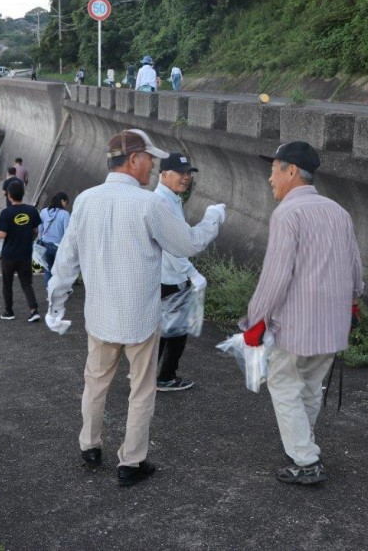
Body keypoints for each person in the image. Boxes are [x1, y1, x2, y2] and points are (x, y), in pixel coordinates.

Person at [46, 128, 226, 487]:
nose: (152, 166)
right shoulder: (149, 204)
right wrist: (213, 218)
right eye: (150, 159)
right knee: (140, 390)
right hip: (140, 318)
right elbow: (187, 244)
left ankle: (90, 446)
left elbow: (67, 258)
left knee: (95, 384)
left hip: (99, 315)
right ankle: (131, 462)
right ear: (133, 160)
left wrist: (56, 302)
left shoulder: (85, 200)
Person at [240, 141, 363, 485]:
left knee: (283, 384)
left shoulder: (287, 214)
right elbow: (355, 266)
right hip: (333, 324)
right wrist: (353, 304)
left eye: (273, 169)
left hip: (297, 325)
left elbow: (276, 276)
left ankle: (306, 461)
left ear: (291, 171)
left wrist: (254, 321)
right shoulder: (338, 211)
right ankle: (302, 445)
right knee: (309, 387)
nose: (270, 178)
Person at [154, 152, 207, 392]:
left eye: (189, 173)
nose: (186, 178)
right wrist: (192, 273)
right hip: (170, 278)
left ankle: (145, 374)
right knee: (175, 333)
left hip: (165, 277)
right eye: (181, 173)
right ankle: (165, 378)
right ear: (163, 175)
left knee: (165, 331)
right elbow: (173, 247)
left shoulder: (170, 198)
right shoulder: (163, 202)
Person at [0, 181, 41, 321]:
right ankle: (34, 311)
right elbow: (36, 230)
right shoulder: (32, 210)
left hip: (9, 255)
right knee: (27, 283)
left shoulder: (6, 212)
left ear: (9, 196)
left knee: (7, 283)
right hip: (25, 253)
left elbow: (2, 234)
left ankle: (9, 311)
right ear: (23, 194)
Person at [37, 191, 70, 286]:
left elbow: (40, 229)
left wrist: (41, 239)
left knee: (48, 269)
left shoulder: (43, 212)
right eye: (66, 202)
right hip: (58, 246)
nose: (66, 204)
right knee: (61, 270)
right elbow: (67, 232)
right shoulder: (65, 214)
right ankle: (61, 290)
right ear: (62, 201)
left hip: (44, 245)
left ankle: (50, 292)